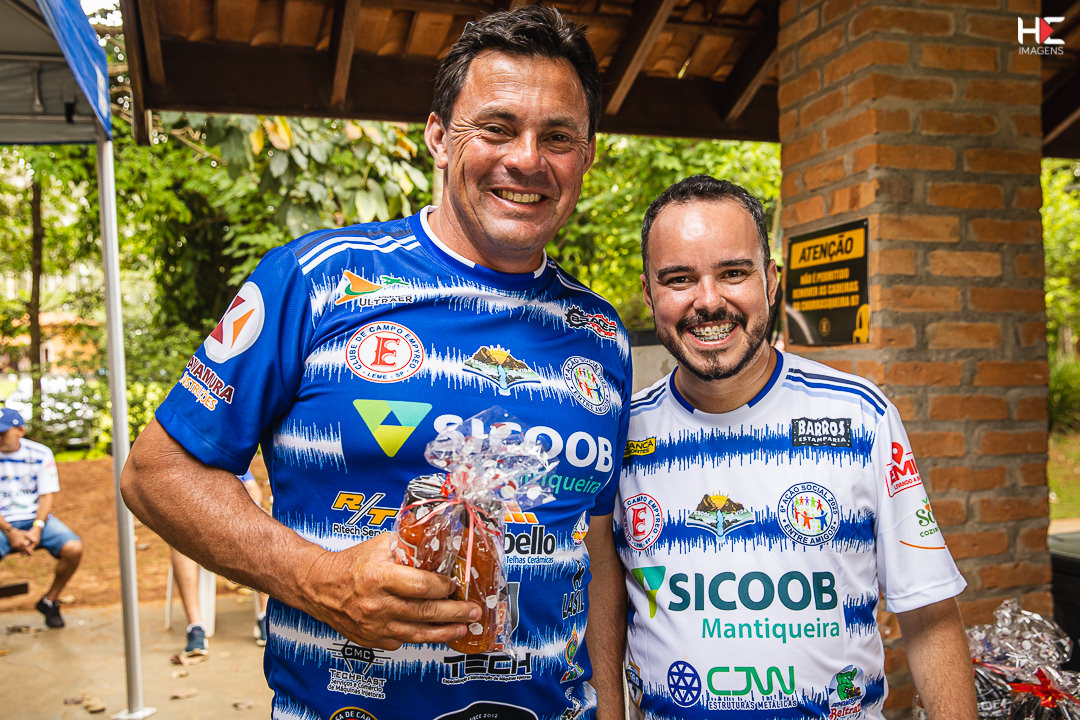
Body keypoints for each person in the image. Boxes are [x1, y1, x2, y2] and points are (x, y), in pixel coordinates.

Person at [120, 7, 630, 720]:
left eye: (559, 137)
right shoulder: (315, 279)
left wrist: (612, 709)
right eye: (496, 127)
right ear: (438, 137)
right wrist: (318, 578)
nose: (527, 159)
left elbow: (596, 545)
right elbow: (155, 475)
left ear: (587, 155)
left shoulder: (601, 335)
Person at [614, 175, 977, 719]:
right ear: (649, 294)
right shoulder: (620, 434)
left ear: (771, 280)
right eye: (680, 279)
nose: (708, 301)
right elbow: (600, 611)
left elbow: (929, 613)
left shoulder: (860, 417)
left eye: (733, 273)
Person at [172, 468, 271, 657]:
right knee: (178, 539)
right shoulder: (187, 460)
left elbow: (254, 491)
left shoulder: (232, 460)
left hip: (237, 523)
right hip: (199, 526)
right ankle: (195, 627)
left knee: (262, 529)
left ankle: (265, 616)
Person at [0, 407, 83, 629]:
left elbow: (46, 496)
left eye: (3, 433)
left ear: (20, 430)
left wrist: (37, 527)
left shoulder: (40, 453)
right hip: (2, 523)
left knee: (73, 548)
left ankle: (50, 600)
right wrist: (9, 531)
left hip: (35, 519)